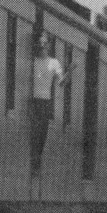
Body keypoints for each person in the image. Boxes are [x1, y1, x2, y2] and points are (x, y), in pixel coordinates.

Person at [29, 37, 67, 177]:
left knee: (42, 134)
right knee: (34, 132)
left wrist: (69, 71)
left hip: (45, 101)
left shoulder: (54, 62)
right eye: (40, 42)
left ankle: (37, 164)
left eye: (45, 43)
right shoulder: (32, 60)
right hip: (32, 98)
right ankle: (34, 163)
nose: (42, 45)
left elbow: (61, 82)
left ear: (49, 45)